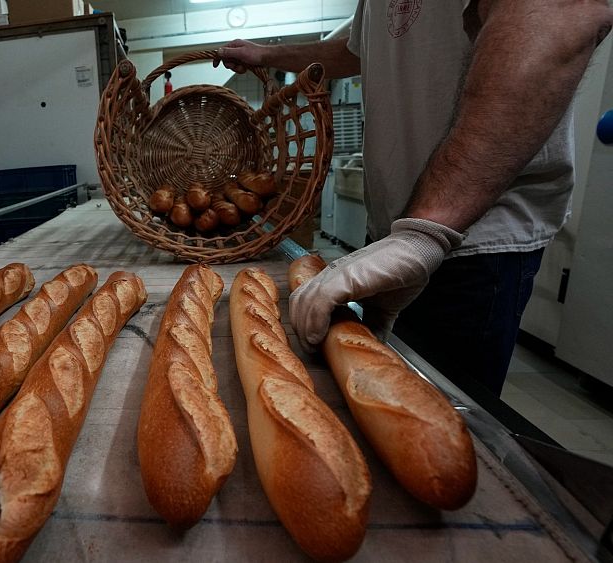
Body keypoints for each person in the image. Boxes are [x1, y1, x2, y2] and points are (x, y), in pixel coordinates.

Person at [217, 0, 613, 398]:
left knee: (443, 420)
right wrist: (266, 54)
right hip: (396, 239)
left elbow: (558, 15)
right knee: (381, 394)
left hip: (474, 240)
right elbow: (355, 50)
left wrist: (425, 232)